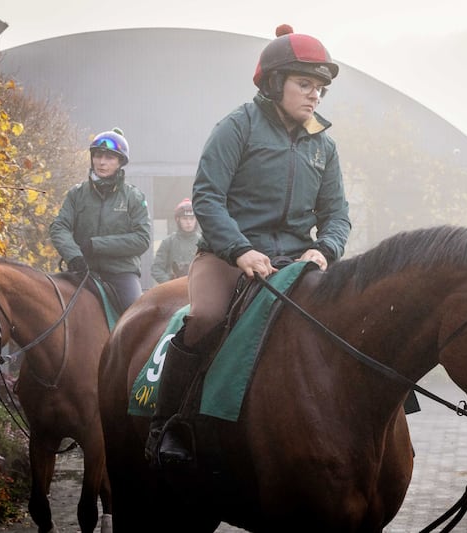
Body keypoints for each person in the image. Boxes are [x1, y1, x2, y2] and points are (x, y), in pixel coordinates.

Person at [146, 24, 351, 466]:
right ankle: (170, 425)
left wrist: (326, 249)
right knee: (206, 317)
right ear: (275, 83)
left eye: (320, 88)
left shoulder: (324, 146)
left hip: (298, 262)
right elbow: (207, 197)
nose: (315, 95)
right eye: (305, 84)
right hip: (226, 257)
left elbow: (337, 215)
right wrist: (240, 250)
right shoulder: (237, 126)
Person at [50, 128, 151, 312]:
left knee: (136, 318)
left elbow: (142, 239)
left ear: (120, 162)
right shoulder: (76, 194)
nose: (102, 162)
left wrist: (96, 245)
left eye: (110, 158)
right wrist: (74, 256)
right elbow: (59, 227)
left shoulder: (133, 197)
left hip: (121, 273)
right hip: (81, 271)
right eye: (98, 155)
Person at [151, 198, 201, 283]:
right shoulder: (168, 242)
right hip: (172, 290)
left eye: (192, 219)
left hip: (197, 288)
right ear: (178, 220)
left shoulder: (203, 243)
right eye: (185, 219)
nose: (188, 222)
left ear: (196, 220)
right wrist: (169, 283)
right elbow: (156, 269)